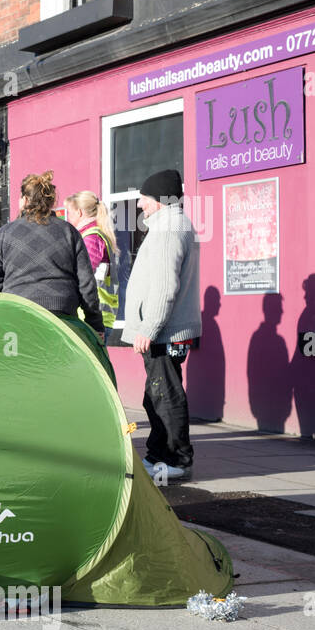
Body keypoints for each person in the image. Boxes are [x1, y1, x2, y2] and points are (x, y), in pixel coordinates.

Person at [120, 169, 202, 483]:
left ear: (159, 200)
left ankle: (177, 460)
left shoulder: (169, 229)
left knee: (165, 396)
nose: (139, 205)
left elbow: (166, 286)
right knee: (156, 395)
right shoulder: (169, 226)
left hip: (162, 333)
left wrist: (149, 328)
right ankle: (157, 455)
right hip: (161, 331)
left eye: (143, 198)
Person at [0, 171, 104, 334]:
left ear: (24, 200)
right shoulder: (69, 232)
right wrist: (95, 324)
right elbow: (86, 284)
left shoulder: (4, 234)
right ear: (51, 202)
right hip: (62, 319)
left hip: (17, 317)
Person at [65, 190, 120, 323]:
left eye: (69, 213)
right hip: (97, 314)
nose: (67, 218)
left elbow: (83, 275)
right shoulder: (93, 234)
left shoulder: (91, 238)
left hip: (93, 316)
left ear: (79, 213)